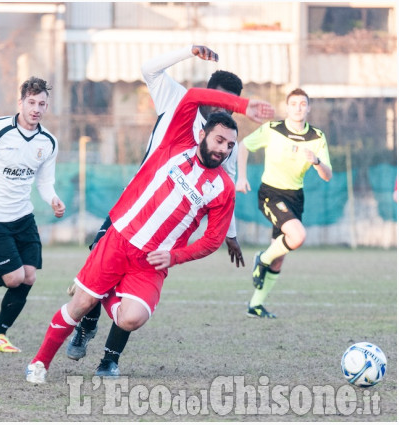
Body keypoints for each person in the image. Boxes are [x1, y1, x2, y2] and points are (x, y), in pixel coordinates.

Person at [25, 87, 275, 384]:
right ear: (201, 136)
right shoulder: (175, 144)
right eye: (219, 140)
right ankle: (39, 363)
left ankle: (103, 292)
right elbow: (193, 96)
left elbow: (212, 240)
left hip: (152, 262)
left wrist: (174, 256)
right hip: (119, 241)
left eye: (230, 145)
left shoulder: (223, 188)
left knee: (131, 318)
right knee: (79, 306)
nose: (223, 149)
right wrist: (244, 105)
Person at [66, 45, 247, 377]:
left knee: (137, 288)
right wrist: (187, 51)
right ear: (205, 91)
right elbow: (149, 68)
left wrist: (230, 235)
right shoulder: (178, 100)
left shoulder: (226, 143)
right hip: (135, 206)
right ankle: (87, 324)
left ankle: (110, 359)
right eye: (217, 97)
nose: (221, 106)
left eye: (229, 104)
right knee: (99, 258)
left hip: (169, 229)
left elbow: (225, 191)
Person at [0, 77, 66, 353]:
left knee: (29, 276)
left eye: (42, 103)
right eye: (31, 102)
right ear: (20, 102)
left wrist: (53, 199)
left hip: (24, 218)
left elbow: (43, 182)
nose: (36, 109)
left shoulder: (49, 142)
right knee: (14, 278)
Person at [236, 88, 332, 318]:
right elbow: (244, 145)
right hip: (271, 193)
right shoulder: (272, 129)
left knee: (279, 259)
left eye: (302, 104)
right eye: (294, 103)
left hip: (295, 198)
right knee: (297, 236)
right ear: (287, 108)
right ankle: (262, 258)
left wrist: (317, 161)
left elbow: (327, 175)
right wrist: (241, 177)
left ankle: (255, 305)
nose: (298, 107)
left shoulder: (317, 137)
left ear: (308, 108)